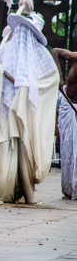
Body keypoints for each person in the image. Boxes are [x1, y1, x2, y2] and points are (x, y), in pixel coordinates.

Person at [0, 13, 58, 204]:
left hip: (28, 109)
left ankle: (25, 192)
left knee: (24, 148)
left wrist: (27, 89)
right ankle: (10, 191)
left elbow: (51, 79)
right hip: (7, 107)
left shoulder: (39, 53)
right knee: (11, 147)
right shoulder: (8, 49)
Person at [52, 46, 77, 199]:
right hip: (69, 104)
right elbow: (55, 51)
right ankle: (69, 189)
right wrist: (59, 77)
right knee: (68, 150)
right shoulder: (75, 56)